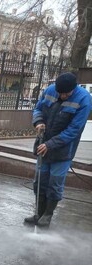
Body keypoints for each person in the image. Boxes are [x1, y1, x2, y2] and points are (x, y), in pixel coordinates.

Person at [24, 72, 91, 227]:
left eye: (66, 94)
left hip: (63, 150)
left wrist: (51, 144)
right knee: (39, 181)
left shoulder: (84, 99)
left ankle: (47, 215)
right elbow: (38, 108)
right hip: (43, 144)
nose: (63, 96)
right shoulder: (50, 91)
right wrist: (39, 121)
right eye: (60, 93)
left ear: (74, 89)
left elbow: (74, 129)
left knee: (55, 183)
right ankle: (38, 213)